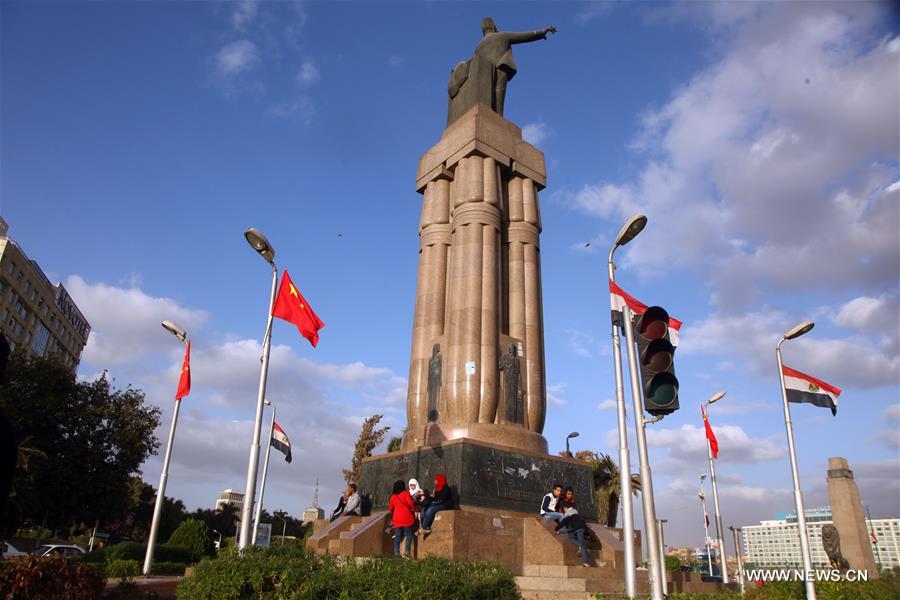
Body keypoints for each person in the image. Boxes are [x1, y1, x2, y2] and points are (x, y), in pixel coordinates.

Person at [389, 479, 417, 557]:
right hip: (406, 518)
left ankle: (396, 553)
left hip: (397, 519)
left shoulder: (393, 496)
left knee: (397, 536)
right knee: (408, 534)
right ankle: (406, 553)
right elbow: (410, 503)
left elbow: (390, 509)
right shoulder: (405, 493)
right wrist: (415, 509)